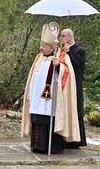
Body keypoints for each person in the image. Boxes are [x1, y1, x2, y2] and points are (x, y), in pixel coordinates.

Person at [21, 23, 80, 154]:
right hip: (38, 96)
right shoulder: (39, 57)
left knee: (50, 119)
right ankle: (37, 146)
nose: (41, 48)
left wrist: (59, 66)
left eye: (44, 46)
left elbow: (69, 74)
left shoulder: (63, 56)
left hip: (53, 97)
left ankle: (52, 147)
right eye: (41, 45)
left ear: (52, 47)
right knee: (38, 119)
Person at [60, 28, 87, 149]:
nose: (62, 38)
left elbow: (76, 64)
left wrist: (68, 52)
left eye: (63, 36)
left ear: (70, 37)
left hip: (75, 84)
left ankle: (76, 140)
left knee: (76, 109)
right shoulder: (62, 51)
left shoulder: (80, 50)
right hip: (65, 84)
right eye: (61, 36)